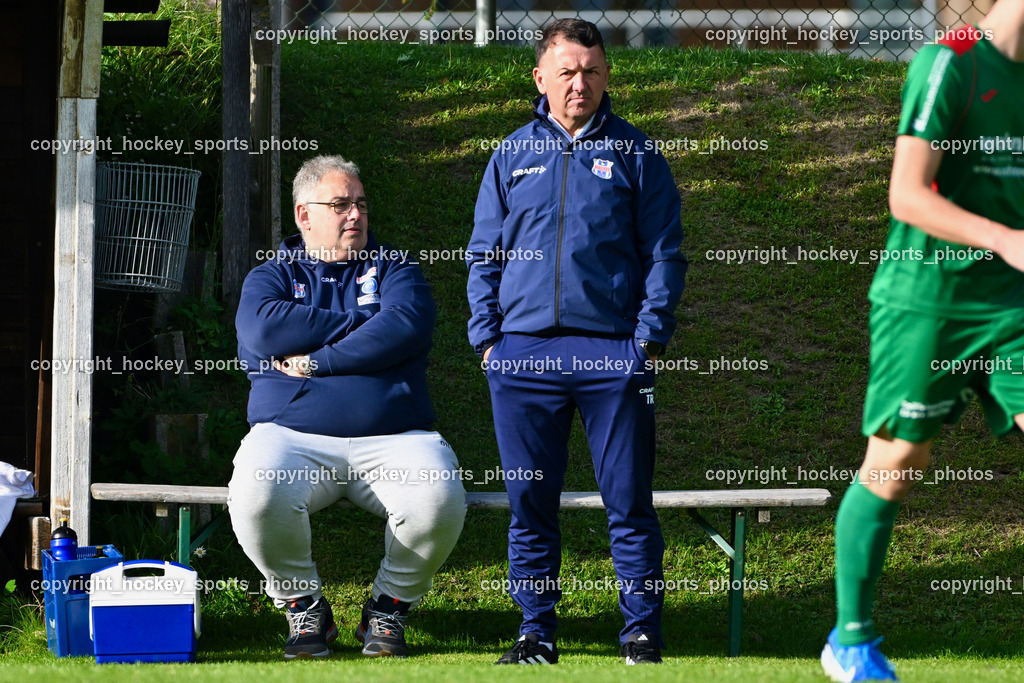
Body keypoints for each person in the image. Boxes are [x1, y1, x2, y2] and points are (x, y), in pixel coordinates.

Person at [466, 18, 688, 665]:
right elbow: (484, 255)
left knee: (629, 503)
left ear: (607, 76)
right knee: (530, 503)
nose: (579, 83)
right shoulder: (511, 154)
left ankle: (641, 630)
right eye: (566, 72)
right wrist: (489, 342)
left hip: (611, 356)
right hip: (523, 359)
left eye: (591, 71)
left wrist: (646, 344)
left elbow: (666, 255)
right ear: (540, 77)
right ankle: (535, 629)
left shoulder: (636, 154)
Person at [821, 2, 1024, 680]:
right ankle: (850, 639)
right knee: (897, 460)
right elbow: (906, 195)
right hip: (926, 300)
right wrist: (1004, 238)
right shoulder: (952, 63)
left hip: (1013, 304)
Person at [229, 155, 466, 660]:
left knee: (438, 499)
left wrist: (318, 361)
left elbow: (405, 326)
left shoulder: (395, 267)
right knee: (256, 491)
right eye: (340, 204)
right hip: (290, 437)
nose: (355, 214)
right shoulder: (270, 275)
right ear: (304, 215)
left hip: (397, 436)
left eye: (360, 203)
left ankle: (388, 607)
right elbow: (264, 329)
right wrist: (365, 323)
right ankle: (303, 605)